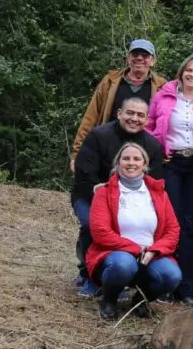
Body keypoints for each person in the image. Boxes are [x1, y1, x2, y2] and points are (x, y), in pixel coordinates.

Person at [147, 53, 193, 304]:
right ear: (181, 72)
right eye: (189, 70)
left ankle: (186, 287)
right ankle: (165, 283)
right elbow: (149, 127)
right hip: (171, 164)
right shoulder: (163, 97)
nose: (192, 74)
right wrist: (157, 151)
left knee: (190, 225)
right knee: (170, 222)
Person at [71, 98, 165, 296]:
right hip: (91, 195)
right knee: (91, 225)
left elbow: (153, 184)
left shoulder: (154, 146)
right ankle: (90, 276)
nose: (134, 118)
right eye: (130, 113)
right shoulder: (98, 136)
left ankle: (121, 277)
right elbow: (84, 173)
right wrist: (104, 196)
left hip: (132, 202)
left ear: (147, 119)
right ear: (119, 113)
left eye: (140, 115)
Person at [85, 143, 182, 322]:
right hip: (115, 254)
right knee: (123, 265)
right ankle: (109, 301)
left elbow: (173, 230)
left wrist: (155, 250)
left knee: (172, 275)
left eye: (137, 159)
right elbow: (100, 231)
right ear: (118, 163)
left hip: (150, 255)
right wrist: (136, 249)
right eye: (126, 158)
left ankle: (140, 301)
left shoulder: (159, 193)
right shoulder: (104, 192)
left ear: (144, 164)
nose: (131, 163)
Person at [71, 39, 167, 172]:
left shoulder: (162, 86)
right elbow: (91, 116)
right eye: (135, 54)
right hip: (107, 147)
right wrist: (77, 153)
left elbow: (166, 123)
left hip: (142, 153)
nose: (139, 58)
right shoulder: (110, 81)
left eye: (145, 55)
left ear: (152, 61)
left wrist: (165, 153)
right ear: (128, 58)